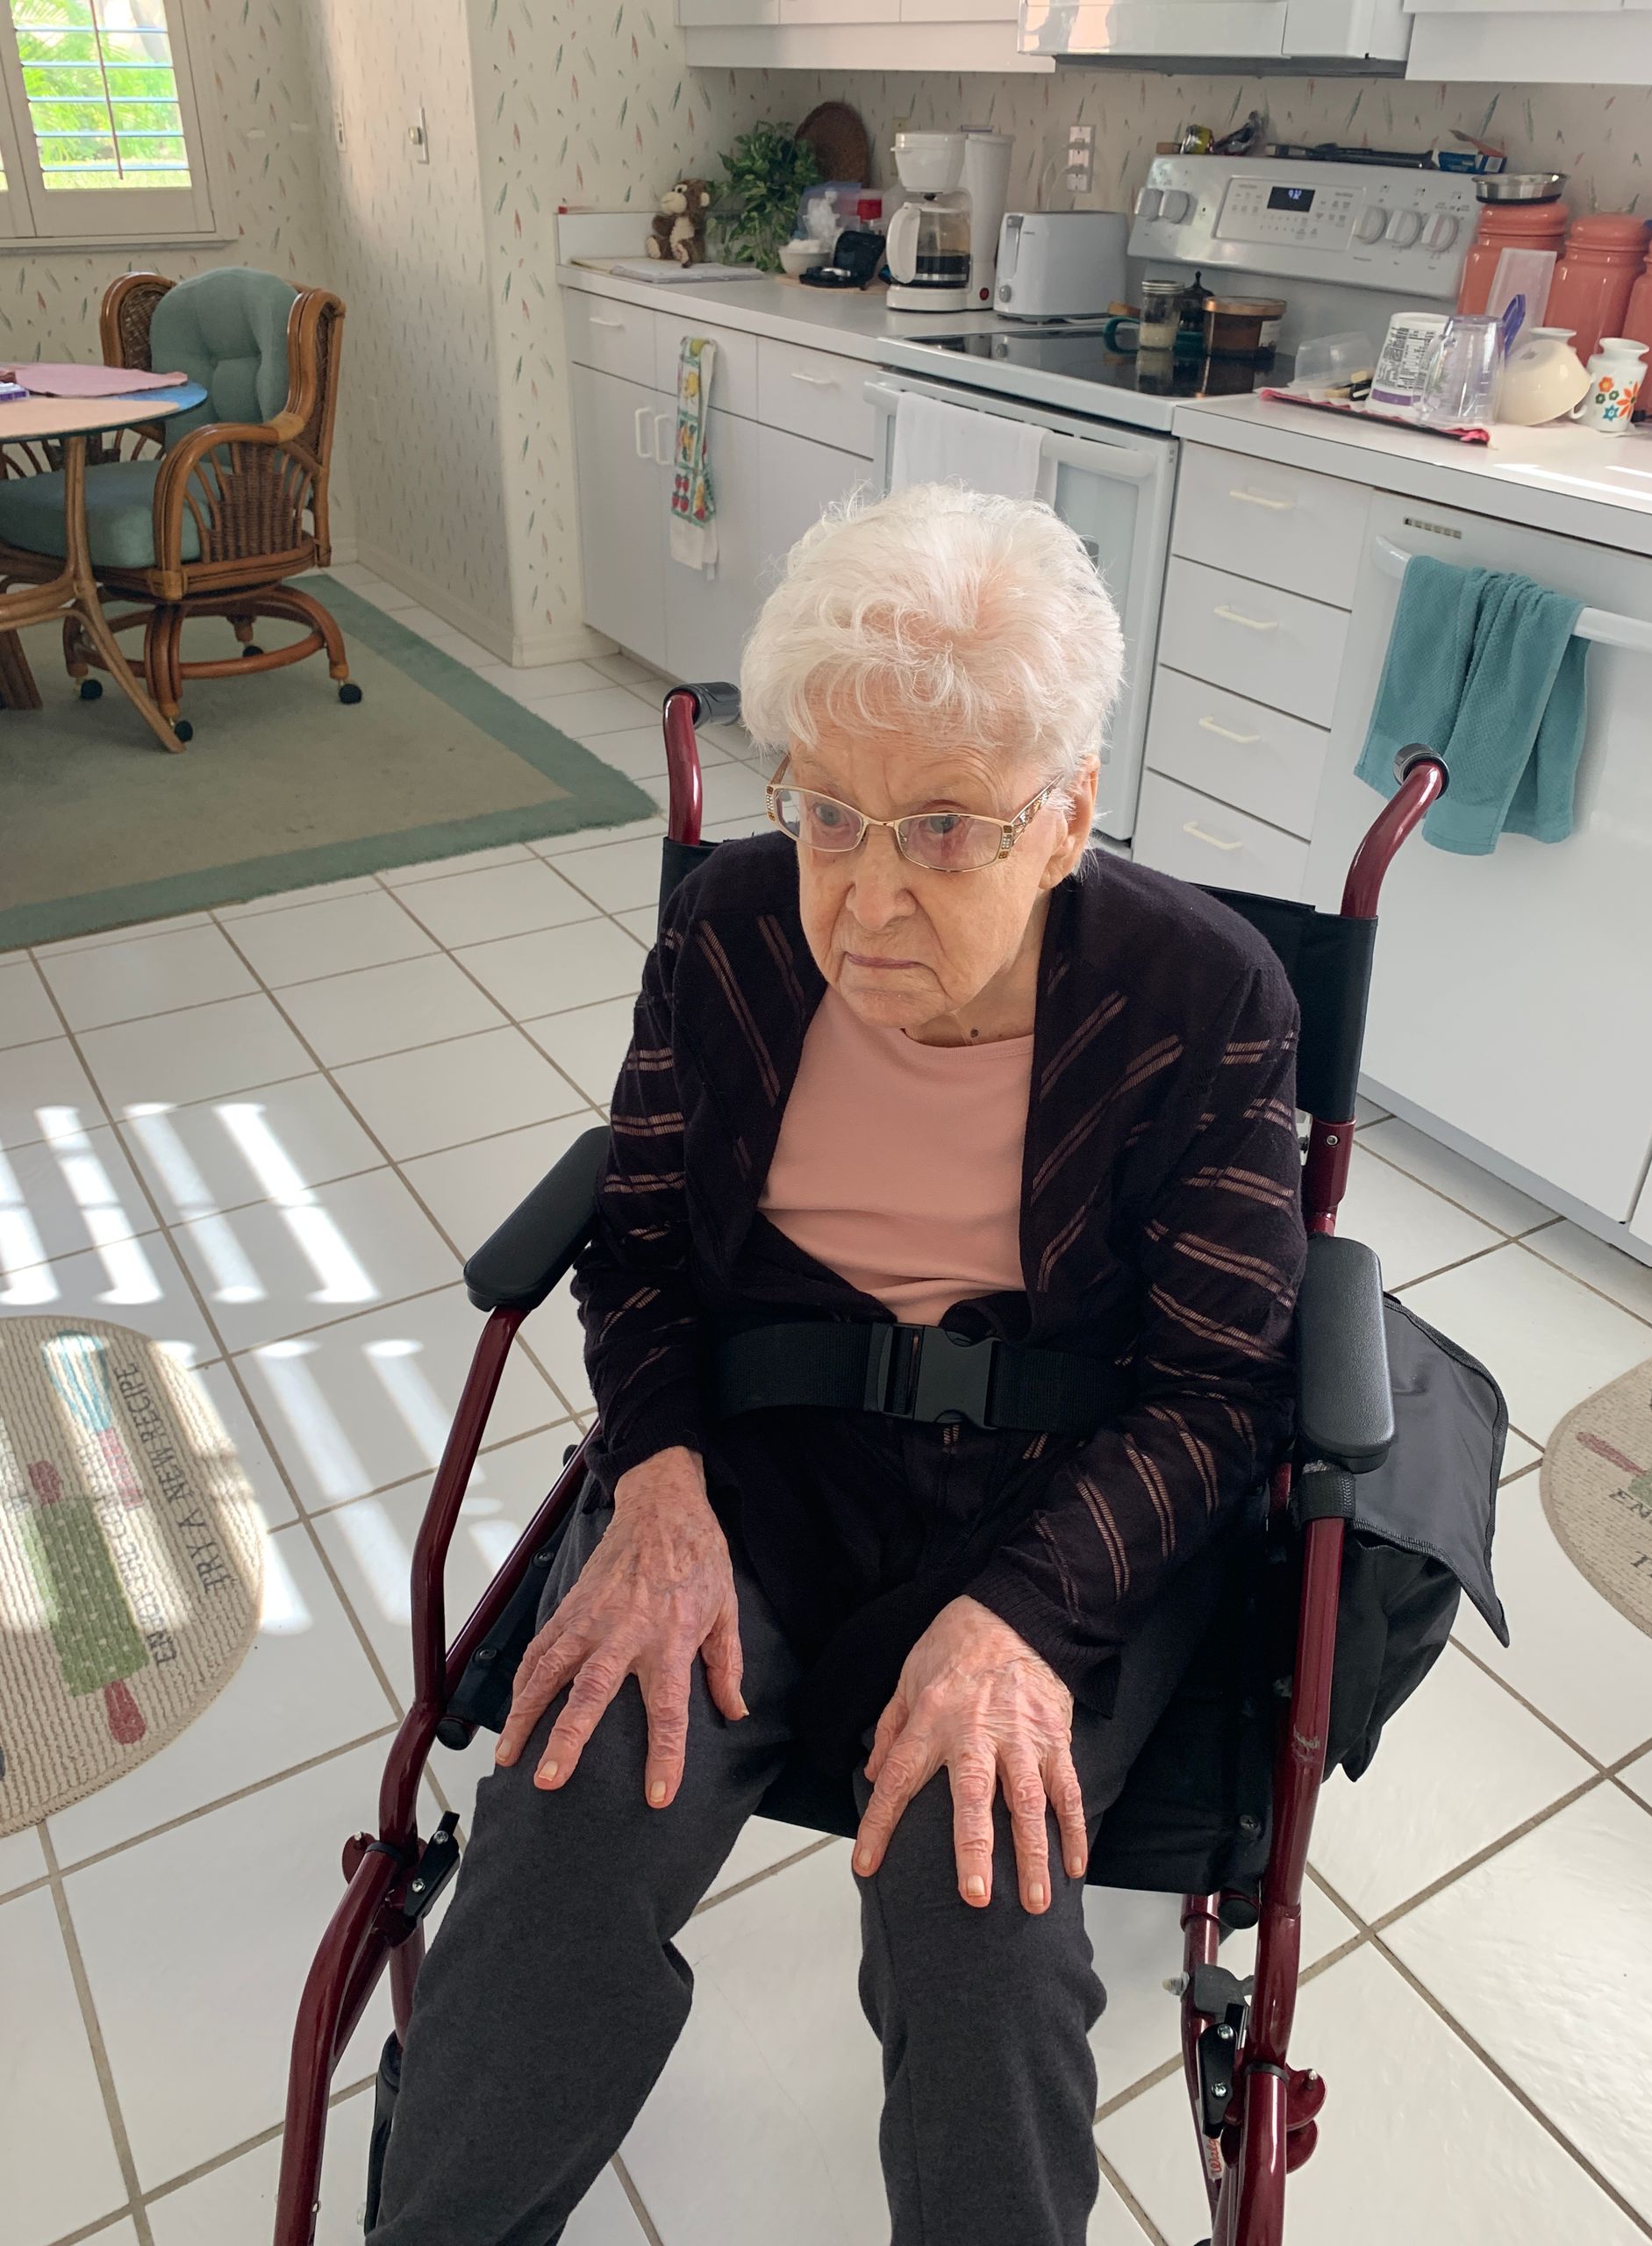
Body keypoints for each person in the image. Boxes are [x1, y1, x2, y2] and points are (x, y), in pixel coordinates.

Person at [368, 484, 1306, 2246]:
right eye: (827, 815)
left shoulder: (1208, 993)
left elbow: (1215, 1396)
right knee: (559, 1836)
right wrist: (652, 1484)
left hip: (1064, 1508)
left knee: (980, 1919)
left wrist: (1026, 1613)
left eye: (944, 830)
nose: (865, 897)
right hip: (752, 1475)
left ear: (1068, 816)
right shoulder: (728, 927)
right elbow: (640, 1249)